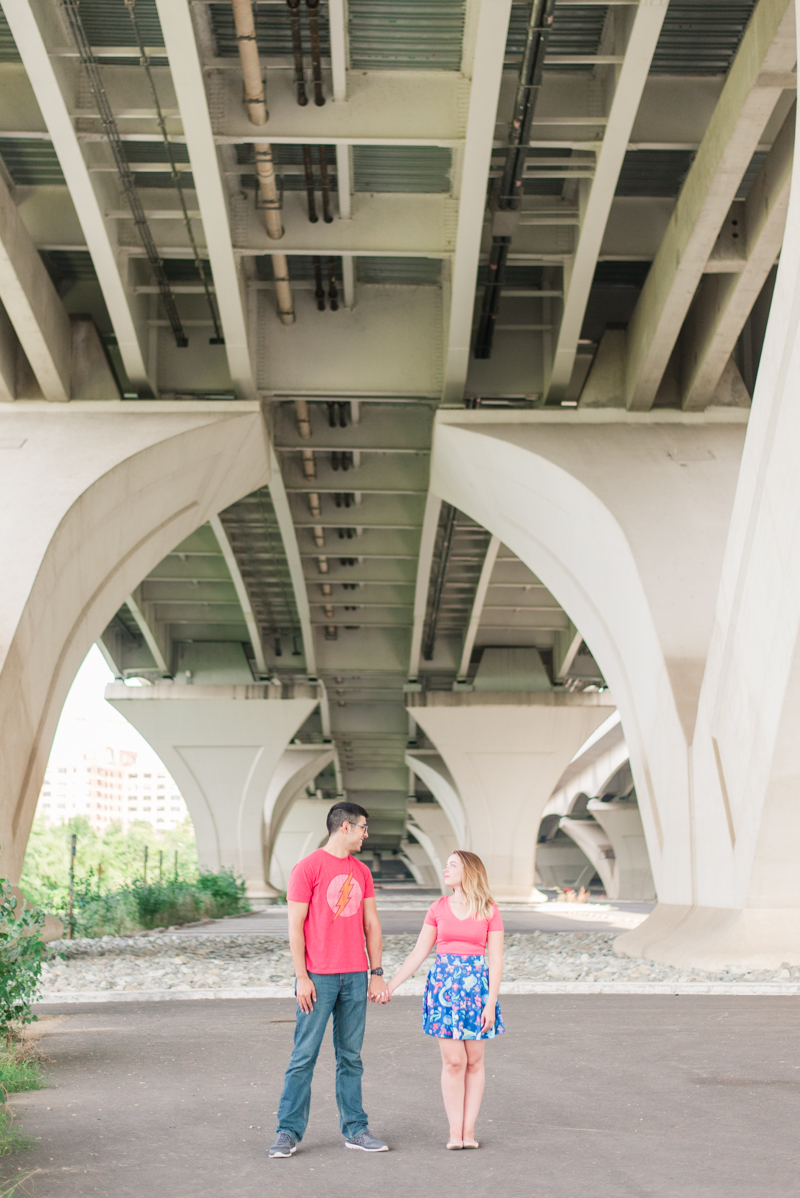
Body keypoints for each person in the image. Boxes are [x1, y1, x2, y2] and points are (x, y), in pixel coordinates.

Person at [269, 801, 390, 1159]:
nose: (367, 834)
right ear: (346, 827)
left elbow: (372, 924)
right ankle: (287, 1132)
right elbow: (295, 927)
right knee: (303, 1056)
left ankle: (356, 1130)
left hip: (354, 975)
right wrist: (301, 976)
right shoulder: (306, 868)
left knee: (350, 1057)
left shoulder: (362, 872)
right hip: (318, 978)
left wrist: (377, 972)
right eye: (364, 827)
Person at [385, 850, 504, 1150]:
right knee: (454, 1062)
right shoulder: (438, 908)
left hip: (477, 992)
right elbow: (418, 953)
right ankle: (454, 1132)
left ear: (469, 871)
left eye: (453, 865)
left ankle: (469, 1132)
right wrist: (390, 986)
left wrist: (491, 1002)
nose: (445, 869)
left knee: (474, 1062)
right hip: (444, 991)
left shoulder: (489, 909)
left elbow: (497, 959)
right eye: (446, 865)